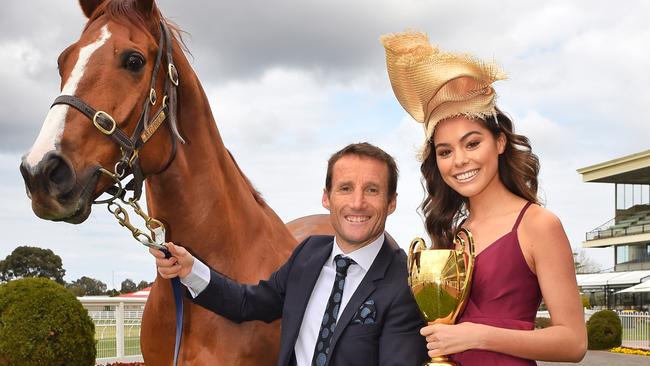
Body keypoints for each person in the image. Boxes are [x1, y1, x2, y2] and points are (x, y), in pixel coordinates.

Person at [381, 32, 587, 365]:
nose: (459, 160)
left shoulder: (538, 225)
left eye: (472, 143)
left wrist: (477, 335)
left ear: (500, 143)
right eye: (445, 151)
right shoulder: (451, 233)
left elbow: (573, 342)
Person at [150, 142, 429, 366]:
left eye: (372, 190)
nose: (357, 203)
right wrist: (190, 270)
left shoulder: (406, 283)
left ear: (391, 202)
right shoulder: (308, 254)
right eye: (345, 189)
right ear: (326, 197)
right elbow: (249, 303)